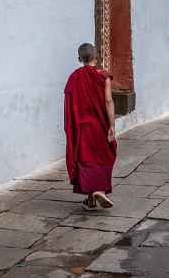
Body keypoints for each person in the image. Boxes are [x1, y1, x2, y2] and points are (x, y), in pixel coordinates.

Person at [64, 43, 117, 212]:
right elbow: (108, 101)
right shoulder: (103, 76)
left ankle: (91, 200)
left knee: (86, 160)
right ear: (97, 56)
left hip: (82, 126)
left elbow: (70, 104)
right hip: (100, 124)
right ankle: (98, 190)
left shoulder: (74, 77)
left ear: (79, 59)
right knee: (103, 156)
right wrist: (111, 124)